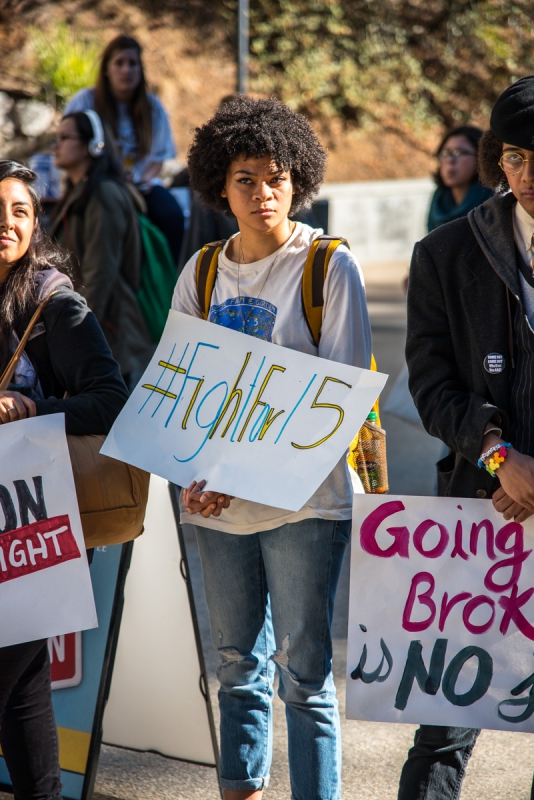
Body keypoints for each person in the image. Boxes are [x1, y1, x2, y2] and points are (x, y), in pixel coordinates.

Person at [173, 96, 372, 800]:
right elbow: (180, 399)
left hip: (305, 509)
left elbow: (340, 409)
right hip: (218, 509)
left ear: (300, 181)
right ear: (220, 189)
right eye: (247, 179)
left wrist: (233, 474)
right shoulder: (200, 274)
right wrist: (191, 477)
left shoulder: (327, 269)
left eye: (278, 176)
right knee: (234, 668)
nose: (265, 192)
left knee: (307, 675)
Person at [401, 75, 534, 800]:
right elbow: (429, 383)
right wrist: (499, 458)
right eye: (515, 158)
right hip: (474, 515)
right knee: (446, 721)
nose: (529, 176)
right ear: (496, 161)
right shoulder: (445, 253)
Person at [0, 159, 128, 799]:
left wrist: (32, 409)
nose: (7, 223)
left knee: (12, 671)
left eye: (20, 211)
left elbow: (111, 398)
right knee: (20, 686)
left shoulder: (53, 303)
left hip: (31, 525)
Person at [47, 110, 152, 384]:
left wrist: (76, 333)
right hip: (98, 332)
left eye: (64, 138)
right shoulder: (81, 192)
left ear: (93, 145)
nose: (55, 146)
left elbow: (100, 273)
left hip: (110, 335)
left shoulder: (104, 195)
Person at [64, 34, 184, 263]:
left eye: (132, 64)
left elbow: (158, 158)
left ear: (141, 69)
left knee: (171, 215)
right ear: (107, 69)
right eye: (119, 63)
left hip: (141, 188)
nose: (126, 70)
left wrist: (145, 180)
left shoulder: (153, 108)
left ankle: (167, 280)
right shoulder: (86, 102)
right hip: (98, 184)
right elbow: (70, 144)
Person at [427, 125, 493, 232]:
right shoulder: (438, 201)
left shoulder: (493, 204)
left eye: (459, 152)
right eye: (445, 153)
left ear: (481, 158)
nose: (450, 160)